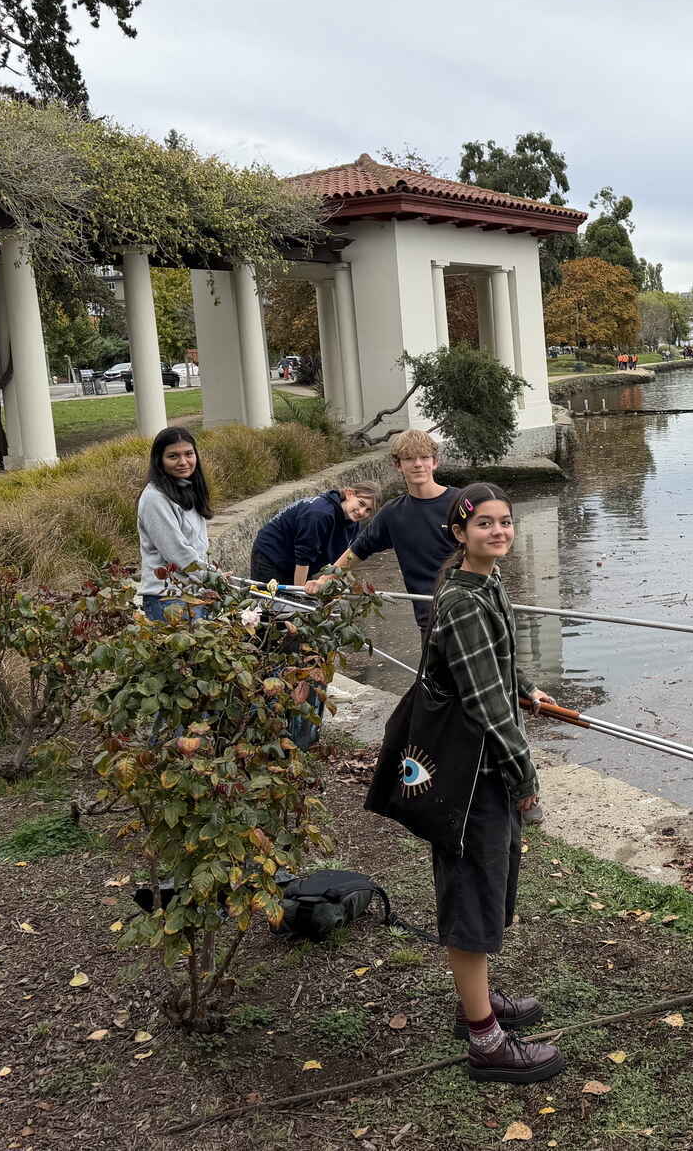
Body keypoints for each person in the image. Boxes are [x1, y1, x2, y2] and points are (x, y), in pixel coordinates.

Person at [424, 483, 561, 1083]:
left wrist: (527, 687)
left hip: (482, 767)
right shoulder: (462, 601)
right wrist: (524, 774)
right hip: (470, 773)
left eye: (505, 521)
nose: (499, 531)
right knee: (474, 897)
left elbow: (498, 669)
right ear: (459, 533)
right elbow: (483, 703)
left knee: (490, 888)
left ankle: (476, 1001)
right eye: (484, 523)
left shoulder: (487, 585)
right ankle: (484, 1040)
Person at [310, 430, 456, 631]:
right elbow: (357, 551)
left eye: (424, 457)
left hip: (469, 613)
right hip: (429, 620)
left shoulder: (461, 504)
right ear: (398, 465)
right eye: (409, 458)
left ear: (435, 462)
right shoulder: (392, 513)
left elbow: (489, 545)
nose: (418, 464)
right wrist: (325, 580)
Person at [137, 427, 214, 622]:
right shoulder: (155, 498)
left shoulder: (188, 489)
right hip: (168, 600)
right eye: (173, 456)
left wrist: (211, 577)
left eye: (189, 454)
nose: (183, 462)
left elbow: (198, 547)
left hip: (194, 594)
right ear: (159, 460)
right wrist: (213, 578)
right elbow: (178, 552)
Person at [249, 482, 379, 587]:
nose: (362, 512)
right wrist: (300, 597)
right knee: (273, 606)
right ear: (349, 494)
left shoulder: (353, 523)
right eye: (361, 503)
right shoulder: (319, 514)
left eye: (368, 510)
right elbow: (303, 558)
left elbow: (344, 559)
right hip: (270, 555)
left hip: (296, 562)